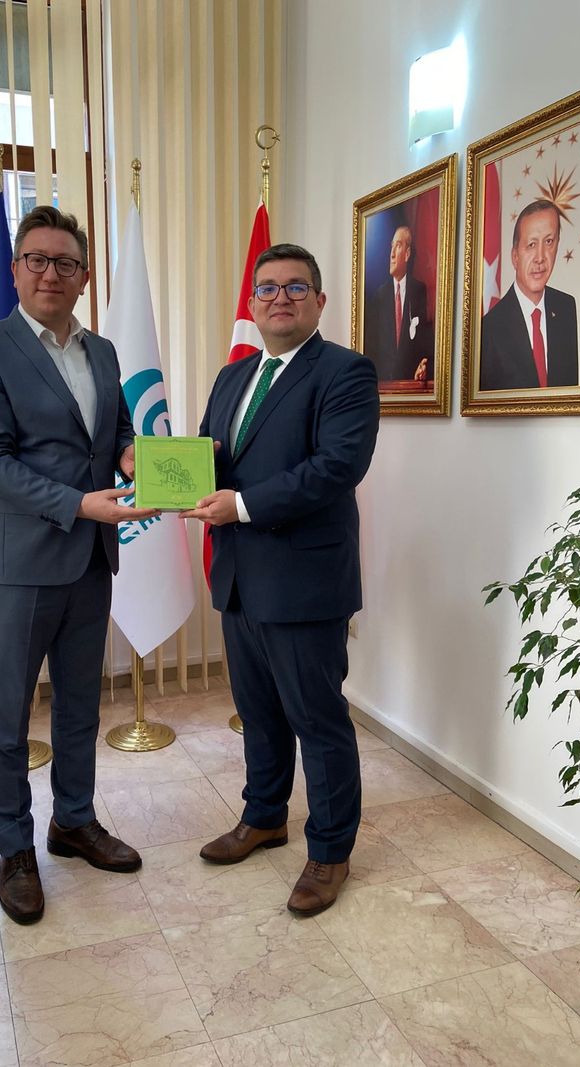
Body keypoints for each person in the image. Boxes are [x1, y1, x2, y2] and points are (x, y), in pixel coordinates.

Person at [0, 206, 157, 925]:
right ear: (15, 271)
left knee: (79, 705)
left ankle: (73, 820)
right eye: (36, 260)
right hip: (22, 564)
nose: (50, 273)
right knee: (8, 714)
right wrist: (78, 504)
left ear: (84, 276)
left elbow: (118, 429)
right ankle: (13, 847)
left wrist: (131, 455)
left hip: (91, 562)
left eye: (65, 262)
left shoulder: (103, 352)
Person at [182, 244, 379, 916]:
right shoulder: (233, 376)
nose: (279, 298)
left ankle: (330, 851)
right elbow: (211, 453)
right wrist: (166, 473)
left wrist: (240, 504)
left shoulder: (345, 372)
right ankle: (264, 816)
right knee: (259, 714)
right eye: (267, 288)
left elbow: (336, 467)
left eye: (296, 287)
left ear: (319, 301)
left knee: (317, 721)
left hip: (304, 581)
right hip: (239, 575)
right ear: (253, 303)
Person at [480, 199, 578, 390]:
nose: (540, 257)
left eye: (549, 242)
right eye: (531, 244)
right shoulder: (489, 329)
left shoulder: (566, 307)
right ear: (515, 256)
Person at [363, 224, 431, 382]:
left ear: (407, 254)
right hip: (384, 385)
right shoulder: (379, 296)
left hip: (410, 384)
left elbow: (424, 340)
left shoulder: (419, 291)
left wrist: (422, 367)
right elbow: (372, 347)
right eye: (391, 247)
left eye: (398, 246)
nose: (392, 254)